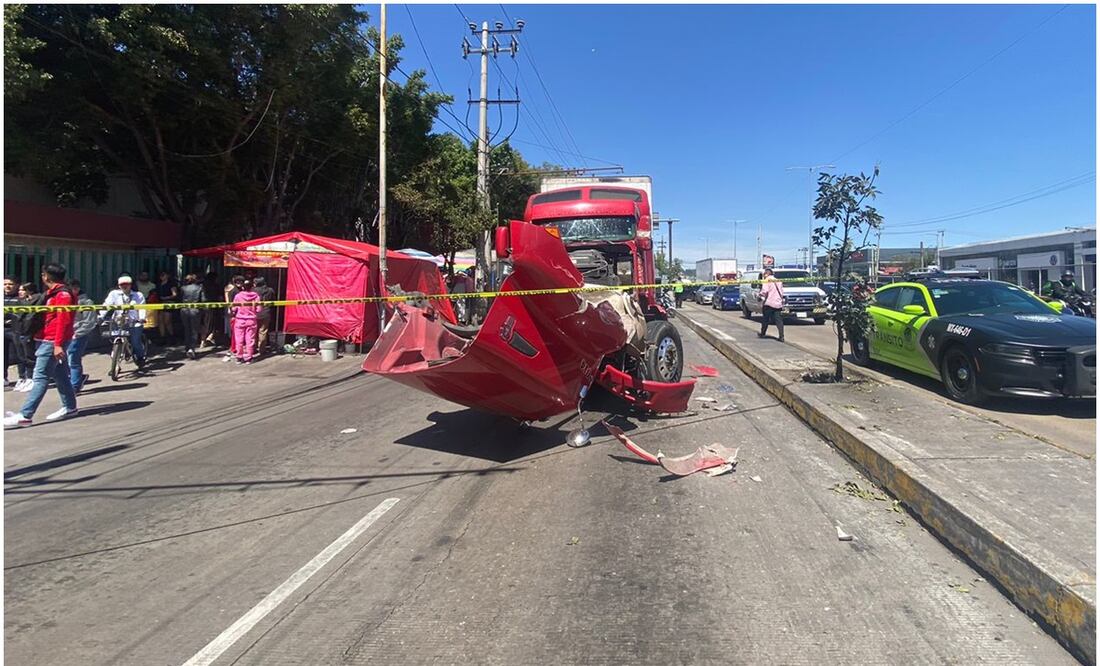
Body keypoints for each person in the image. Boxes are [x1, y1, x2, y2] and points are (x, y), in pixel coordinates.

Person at [4, 263, 79, 428]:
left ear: (46, 276)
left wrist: (57, 344)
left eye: (43, 274)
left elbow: (63, 322)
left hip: (51, 341)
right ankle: (70, 407)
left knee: (40, 377)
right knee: (59, 374)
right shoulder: (53, 293)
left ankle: (25, 415)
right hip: (45, 338)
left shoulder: (63, 295)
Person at [101, 274, 148, 369]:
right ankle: (115, 365)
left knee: (135, 342)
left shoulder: (138, 295)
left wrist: (142, 318)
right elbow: (107, 305)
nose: (124, 286)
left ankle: (140, 357)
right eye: (122, 284)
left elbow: (142, 308)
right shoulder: (114, 294)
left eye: (126, 284)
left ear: (131, 285)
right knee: (115, 339)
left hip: (135, 322)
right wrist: (101, 315)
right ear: (119, 285)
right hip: (119, 321)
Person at [66, 280, 97, 392]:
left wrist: (77, 333)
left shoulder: (86, 302)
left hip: (78, 335)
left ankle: (74, 386)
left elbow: (90, 321)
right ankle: (78, 378)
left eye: (73, 288)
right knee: (64, 361)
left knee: (73, 359)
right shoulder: (65, 301)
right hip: (64, 335)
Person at [14, 282, 44, 391]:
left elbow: (31, 316)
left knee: (30, 355)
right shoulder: (21, 301)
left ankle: (32, 379)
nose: (20, 292)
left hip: (30, 331)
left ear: (29, 291)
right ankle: (25, 378)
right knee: (22, 356)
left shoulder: (37, 299)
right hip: (20, 331)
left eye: (23, 290)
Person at [231, 280, 261, 364]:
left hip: (240, 320)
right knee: (250, 339)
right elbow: (258, 309)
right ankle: (249, 357)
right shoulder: (256, 296)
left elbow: (234, 308)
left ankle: (239, 357)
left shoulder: (238, 296)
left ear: (243, 287)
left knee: (239, 339)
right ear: (252, 287)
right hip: (251, 320)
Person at [179, 273, 204, 359]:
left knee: (187, 329)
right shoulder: (199, 288)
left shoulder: (183, 288)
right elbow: (203, 300)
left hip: (184, 309)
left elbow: (179, 299)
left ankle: (187, 347)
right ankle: (192, 348)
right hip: (195, 310)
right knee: (194, 330)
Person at [757, 268, 785, 342]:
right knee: (779, 320)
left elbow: (764, 291)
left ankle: (763, 333)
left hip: (769, 303)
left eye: (764, 275)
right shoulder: (778, 281)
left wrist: (759, 295)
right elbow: (782, 293)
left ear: (766, 274)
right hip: (778, 303)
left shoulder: (766, 280)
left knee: (765, 319)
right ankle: (781, 336)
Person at [252, 276, 275, 355]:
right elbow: (273, 300)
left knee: (253, 332)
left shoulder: (252, 291)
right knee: (263, 332)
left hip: (254, 313)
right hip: (266, 313)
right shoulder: (270, 290)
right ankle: (262, 349)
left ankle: (253, 348)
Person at [223, 275, 244, 361]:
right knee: (234, 332)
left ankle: (234, 347)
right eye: (237, 282)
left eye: (240, 282)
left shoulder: (238, 290)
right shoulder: (234, 291)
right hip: (234, 313)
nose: (239, 283)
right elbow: (230, 302)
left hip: (238, 313)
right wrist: (230, 310)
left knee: (235, 332)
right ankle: (233, 348)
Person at [155, 271, 179, 341]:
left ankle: (171, 336)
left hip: (169, 303)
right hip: (160, 303)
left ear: (167, 275)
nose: (161, 277)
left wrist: (166, 298)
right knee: (160, 321)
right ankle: (162, 337)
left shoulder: (171, 284)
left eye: (163, 275)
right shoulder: (158, 284)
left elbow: (174, 294)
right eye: (160, 275)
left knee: (167, 321)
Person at [4, 276, 19, 387]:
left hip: (14, 329)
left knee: (18, 355)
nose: (7, 286)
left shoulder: (19, 298)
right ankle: (3, 377)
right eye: (5, 284)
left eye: (10, 284)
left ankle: (23, 377)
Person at [200, 271, 222, 348]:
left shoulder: (202, 285)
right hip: (212, 307)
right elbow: (220, 297)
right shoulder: (216, 286)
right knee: (212, 324)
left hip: (202, 307)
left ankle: (203, 341)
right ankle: (208, 338)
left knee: (204, 324)